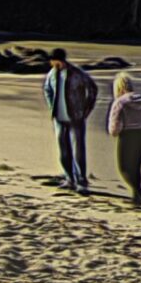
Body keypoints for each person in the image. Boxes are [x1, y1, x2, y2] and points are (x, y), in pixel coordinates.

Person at [41, 49, 98, 193]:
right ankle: (69, 179)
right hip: (59, 118)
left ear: (60, 60)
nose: (51, 63)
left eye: (53, 60)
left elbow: (92, 89)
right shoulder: (52, 74)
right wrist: (51, 106)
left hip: (75, 117)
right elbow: (47, 89)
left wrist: (86, 109)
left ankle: (81, 182)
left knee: (78, 151)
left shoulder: (76, 74)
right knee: (63, 151)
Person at [105, 71, 141, 205]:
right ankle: (137, 196)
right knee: (136, 167)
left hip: (127, 136)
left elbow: (115, 124)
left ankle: (140, 193)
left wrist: (115, 133)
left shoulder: (120, 103)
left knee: (124, 167)